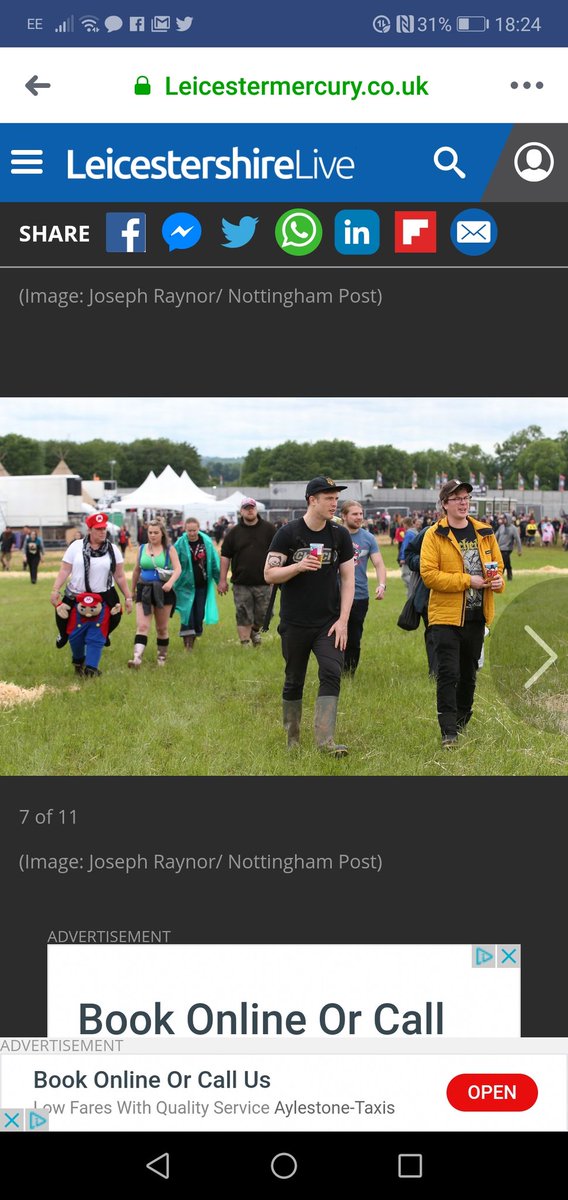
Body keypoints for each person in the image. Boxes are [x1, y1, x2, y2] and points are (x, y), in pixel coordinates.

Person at [264, 476, 355, 755]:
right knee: (294, 679)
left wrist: (343, 621)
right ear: (311, 500)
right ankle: (292, 739)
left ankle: (325, 741)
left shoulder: (339, 534)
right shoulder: (288, 533)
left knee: (331, 671)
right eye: (328, 498)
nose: (334, 503)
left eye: (336, 498)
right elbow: (269, 574)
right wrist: (298, 566)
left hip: (328, 623)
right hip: (294, 623)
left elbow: (348, 579)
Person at [420, 480, 505, 749]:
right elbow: (429, 575)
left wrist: (498, 580)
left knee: (469, 674)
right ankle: (448, 733)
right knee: (448, 673)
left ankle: (461, 720)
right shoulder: (435, 535)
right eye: (456, 498)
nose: (463, 502)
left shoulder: (484, 532)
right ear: (444, 503)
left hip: (477, 616)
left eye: (466, 497)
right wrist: (468, 580)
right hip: (445, 617)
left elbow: (498, 566)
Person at [50, 511, 133, 676]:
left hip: (102, 599)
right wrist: (55, 589)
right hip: (75, 596)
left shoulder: (113, 549)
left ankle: (91, 669)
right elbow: (65, 569)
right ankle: (78, 662)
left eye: (104, 528)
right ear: (89, 530)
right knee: (75, 635)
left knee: (97, 634)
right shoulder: (76, 546)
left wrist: (128, 597)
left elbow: (119, 575)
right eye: (98, 529)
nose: (103, 532)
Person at [218, 499, 277, 647]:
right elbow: (225, 556)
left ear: (256, 509)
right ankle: (245, 644)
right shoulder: (234, 533)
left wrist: (277, 574)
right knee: (243, 613)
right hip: (241, 582)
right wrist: (222, 580)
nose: (250, 510)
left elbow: (278, 553)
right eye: (246, 508)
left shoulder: (269, 529)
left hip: (264, 581)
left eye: (252, 508)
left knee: (266, 614)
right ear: (241, 511)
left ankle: (254, 631)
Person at [128, 516, 181, 668]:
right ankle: (137, 659)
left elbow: (178, 568)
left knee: (161, 628)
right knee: (142, 626)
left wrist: (170, 583)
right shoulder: (142, 548)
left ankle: (161, 659)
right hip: (143, 590)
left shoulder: (169, 549)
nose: (152, 535)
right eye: (150, 532)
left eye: (156, 532)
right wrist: (132, 590)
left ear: (162, 533)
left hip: (163, 591)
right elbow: (137, 570)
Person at [341, 500, 387, 674]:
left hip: (359, 596)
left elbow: (379, 564)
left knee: (353, 637)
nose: (359, 517)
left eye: (361, 514)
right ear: (344, 516)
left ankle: (348, 674)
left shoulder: (368, 538)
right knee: (332, 636)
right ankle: (332, 671)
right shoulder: (335, 535)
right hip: (334, 594)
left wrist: (381, 585)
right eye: (354, 514)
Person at [174, 517, 221, 651]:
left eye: (194, 530)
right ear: (185, 529)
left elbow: (213, 563)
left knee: (199, 614)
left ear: (198, 529)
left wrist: (219, 581)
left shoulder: (206, 542)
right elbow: (173, 563)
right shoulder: (179, 544)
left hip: (202, 585)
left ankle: (192, 641)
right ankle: (188, 646)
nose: (192, 533)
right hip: (184, 586)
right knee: (187, 614)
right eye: (189, 531)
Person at [496, 514, 522, 581]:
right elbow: (495, 536)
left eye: (505, 518)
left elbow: (518, 539)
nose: (503, 520)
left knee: (503, 563)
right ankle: (509, 577)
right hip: (500, 548)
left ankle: (500, 578)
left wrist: (519, 550)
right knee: (507, 564)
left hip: (507, 549)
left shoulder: (513, 528)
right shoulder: (501, 527)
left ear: (508, 519)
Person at [398, 516, 419, 597]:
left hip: (408, 557)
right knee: (411, 574)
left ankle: (414, 588)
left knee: (405, 575)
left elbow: (405, 546)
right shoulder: (416, 532)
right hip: (415, 557)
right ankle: (410, 591)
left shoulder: (409, 533)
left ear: (405, 524)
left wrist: (403, 558)